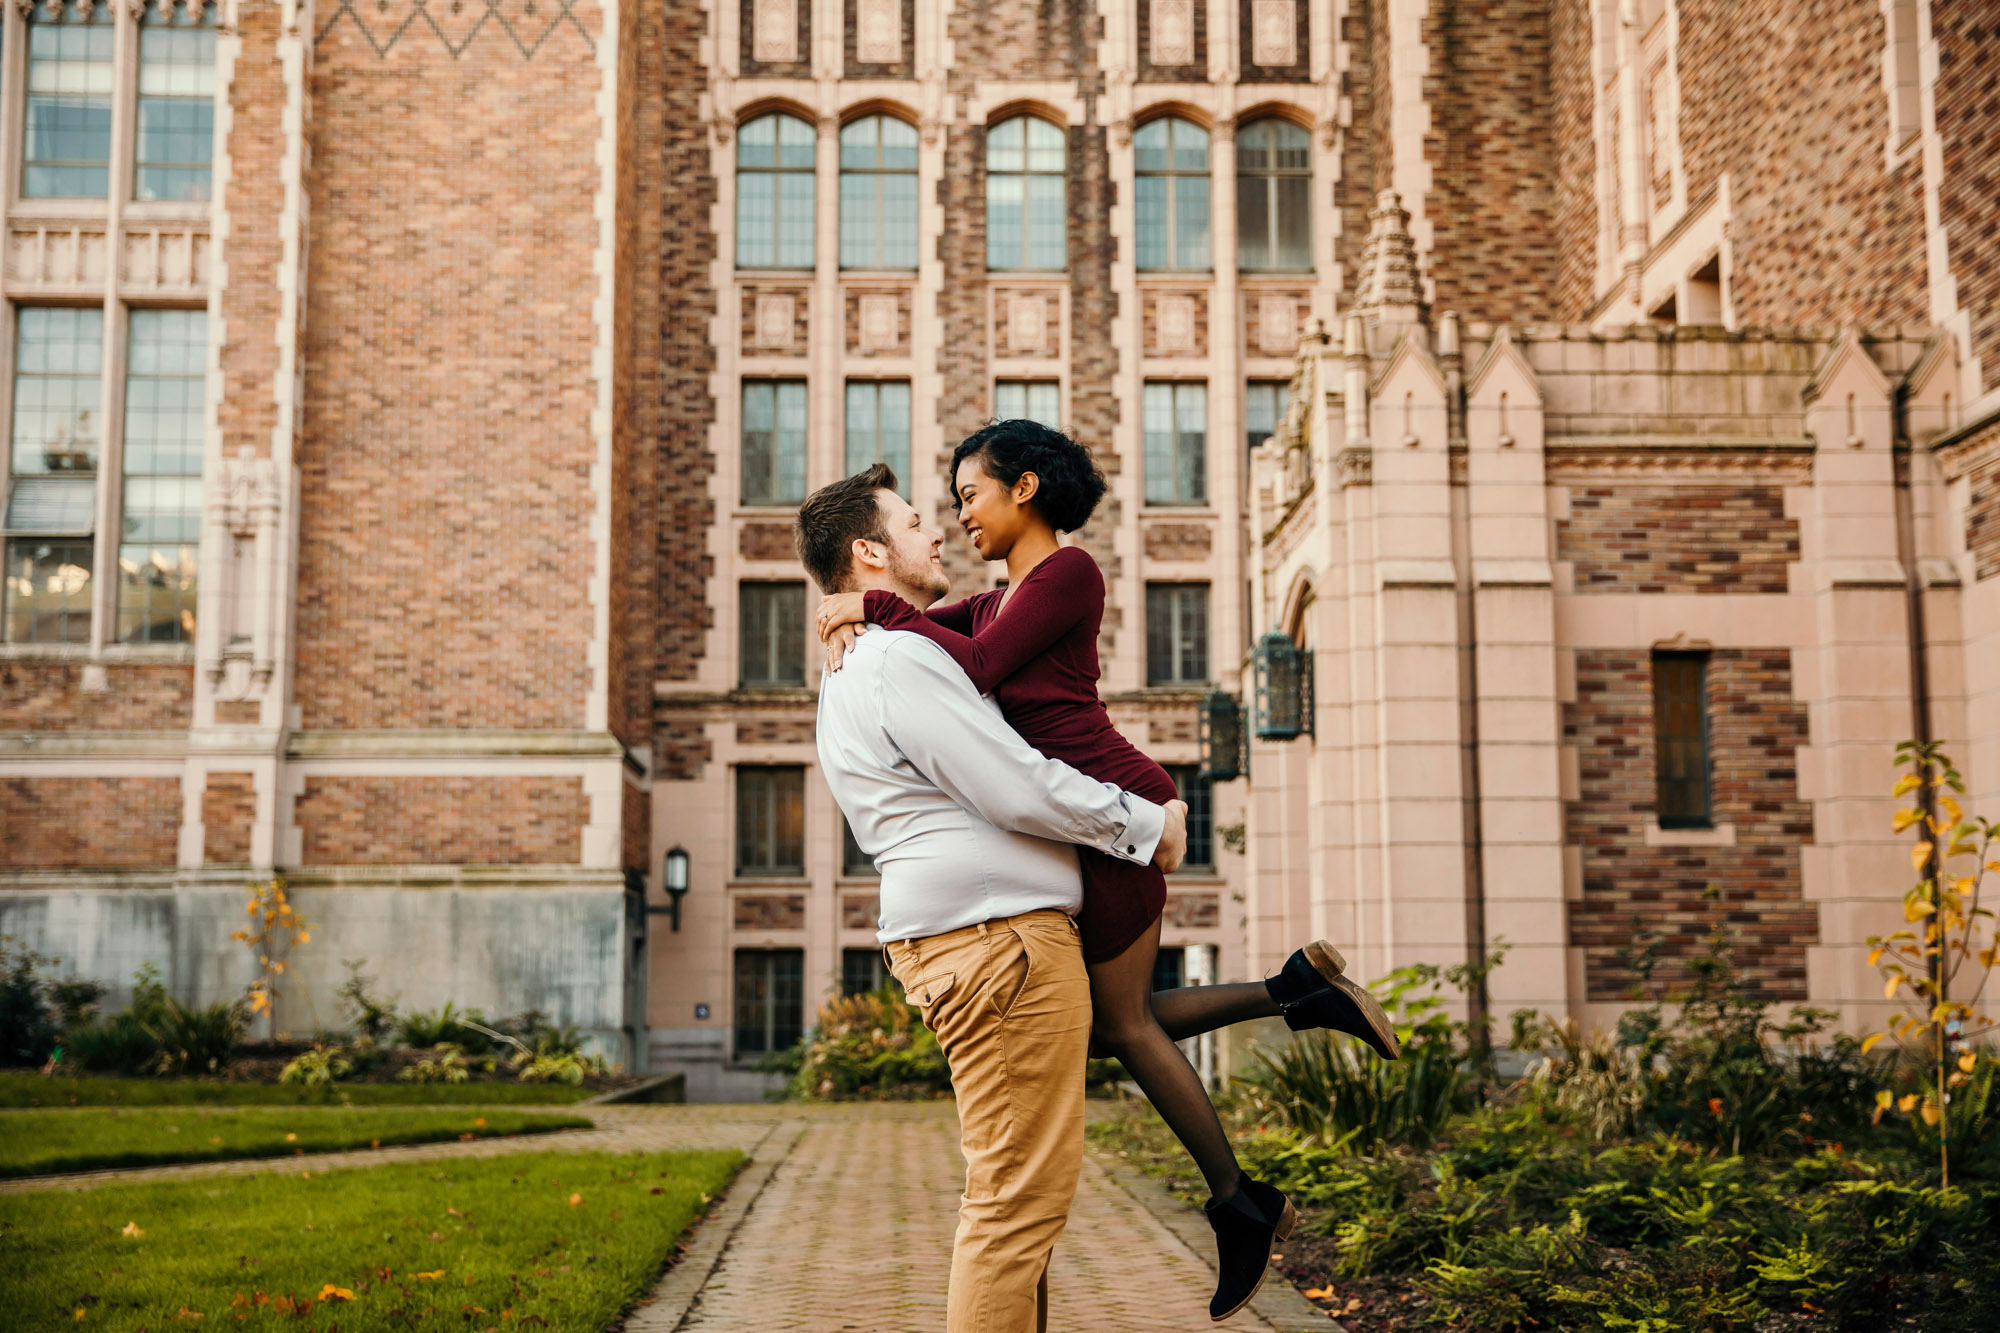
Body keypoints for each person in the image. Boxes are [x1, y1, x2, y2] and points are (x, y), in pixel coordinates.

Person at [817, 423, 1401, 1322]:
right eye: (935, 508)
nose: (955, 516)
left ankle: (1239, 1195)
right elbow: (938, 647)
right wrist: (859, 612)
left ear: (1027, 488)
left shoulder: (1068, 574)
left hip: (1119, 803)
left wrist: (872, 608)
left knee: (1119, 1025)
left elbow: (961, 663)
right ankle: (1290, 1009)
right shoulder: (995, 599)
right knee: (1096, 1027)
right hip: (1077, 837)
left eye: (969, 493)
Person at [797, 463, 1190, 1333]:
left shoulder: (872, 655)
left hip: (979, 941)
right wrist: (1142, 822)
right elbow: (1011, 783)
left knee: (1020, 1201)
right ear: (869, 551)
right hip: (998, 945)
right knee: (1017, 1204)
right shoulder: (898, 660)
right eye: (912, 522)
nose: (937, 531)